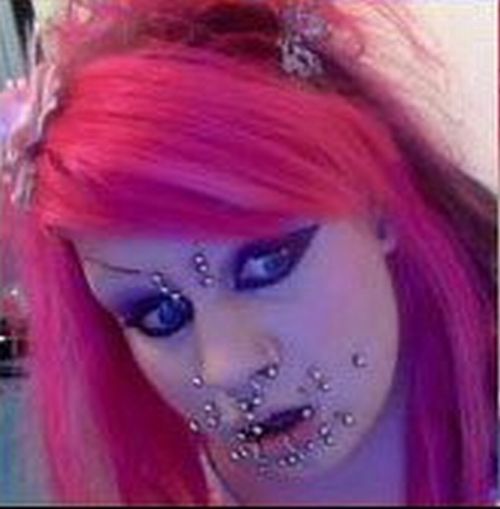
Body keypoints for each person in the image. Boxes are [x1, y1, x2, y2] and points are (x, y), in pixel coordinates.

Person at [0, 0, 496, 505]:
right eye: (159, 314)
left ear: (376, 201)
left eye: (267, 266)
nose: (228, 367)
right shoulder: (167, 483)